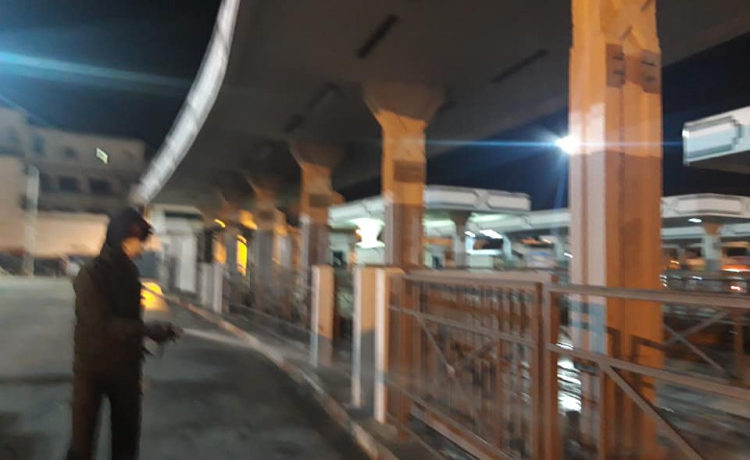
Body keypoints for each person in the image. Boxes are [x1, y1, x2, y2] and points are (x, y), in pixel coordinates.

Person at [67, 208, 179, 460]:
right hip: (92, 369)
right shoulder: (92, 273)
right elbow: (100, 324)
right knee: (82, 444)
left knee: (126, 443)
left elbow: (128, 320)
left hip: (126, 369)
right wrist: (147, 330)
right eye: (140, 240)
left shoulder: (129, 272)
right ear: (124, 239)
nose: (143, 247)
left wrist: (154, 332)